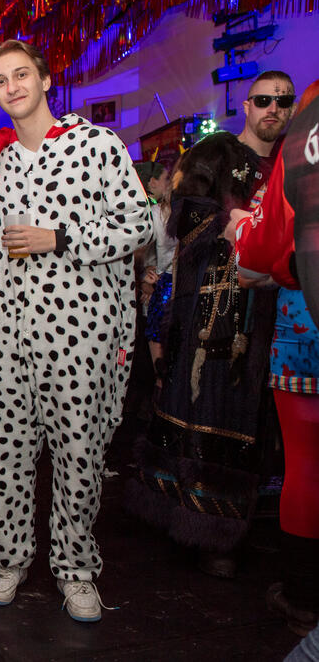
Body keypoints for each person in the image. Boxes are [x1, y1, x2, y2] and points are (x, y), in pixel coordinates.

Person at [0, 39, 151, 622]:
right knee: (3, 454)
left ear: (45, 80)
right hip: (5, 333)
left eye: (22, 75)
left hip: (80, 332)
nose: (13, 86)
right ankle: (11, 558)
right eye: (0, 80)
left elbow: (139, 224)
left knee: (79, 452)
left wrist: (62, 238)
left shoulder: (97, 144)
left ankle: (75, 568)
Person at [125, 133, 272, 579]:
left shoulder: (228, 210)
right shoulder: (206, 223)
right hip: (200, 332)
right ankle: (186, 520)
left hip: (228, 337)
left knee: (214, 417)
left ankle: (209, 530)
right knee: (192, 412)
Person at [234, 79, 319, 639]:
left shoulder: (307, 134)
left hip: (305, 317)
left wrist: (247, 235)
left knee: (308, 465)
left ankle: (305, 594)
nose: (274, 110)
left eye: (281, 101)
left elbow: (262, 250)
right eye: (262, 100)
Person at [134, 161, 175, 377]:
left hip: (175, 293)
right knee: (159, 372)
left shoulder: (185, 212)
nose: (172, 184)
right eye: (168, 178)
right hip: (159, 294)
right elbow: (141, 254)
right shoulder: (152, 213)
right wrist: (145, 278)